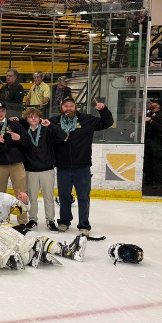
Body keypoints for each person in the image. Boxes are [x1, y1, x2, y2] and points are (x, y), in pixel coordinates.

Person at [49, 96, 114, 236]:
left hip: (82, 167)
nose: (68, 109)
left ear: (75, 107)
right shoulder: (54, 121)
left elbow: (107, 122)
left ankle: (84, 224)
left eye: (71, 106)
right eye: (65, 106)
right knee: (64, 196)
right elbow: (36, 125)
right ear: (61, 108)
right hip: (63, 167)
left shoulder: (87, 119)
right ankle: (64, 221)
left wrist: (103, 110)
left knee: (83, 197)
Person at [15, 107, 66, 231]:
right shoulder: (24, 131)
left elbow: (62, 136)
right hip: (31, 170)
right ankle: (32, 219)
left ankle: (50, 221)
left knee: (48, 197)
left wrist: (51, 126)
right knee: (32, 197)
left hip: (47, 169)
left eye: (36, 116)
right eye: (30, 116)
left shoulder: (47, 129)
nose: (33, 118)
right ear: (26, 118)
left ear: (40, 118)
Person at [143, 98, 162, 189]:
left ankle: (157, 182)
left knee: (156, 162)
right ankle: (148, 180)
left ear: (158, 105)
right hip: (148, 140)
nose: (149, 103)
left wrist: (151, 121)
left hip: (157, 141)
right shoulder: (149, 114)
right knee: (147, 161)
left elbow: (161, 127)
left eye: (152, 102)